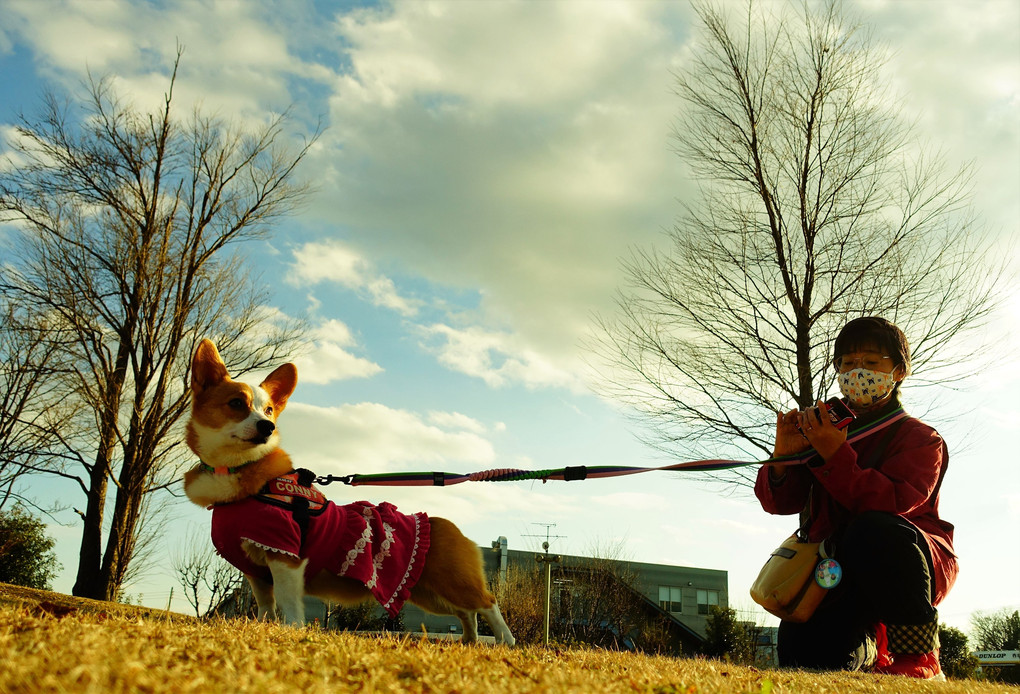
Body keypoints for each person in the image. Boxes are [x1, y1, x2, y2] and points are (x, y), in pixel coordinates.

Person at [755, 317, 957, 679]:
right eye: (847, 363)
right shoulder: (825, 427)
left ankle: (919, 658)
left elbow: (894, 504)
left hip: (904, 561)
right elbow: (779, 504)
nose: (857, 371)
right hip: (835, 564)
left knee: (874, 529)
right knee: (805, 657)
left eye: (871, 362)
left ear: (898, 371)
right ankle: (872, 651)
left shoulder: (921, 438)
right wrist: (784, 457)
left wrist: (835, 455)